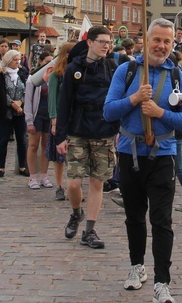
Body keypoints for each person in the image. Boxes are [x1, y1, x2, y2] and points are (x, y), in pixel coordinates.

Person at [103, 18, 182, 303]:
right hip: (130, 155)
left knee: (162, 220)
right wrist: (133, 100)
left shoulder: (178, 76)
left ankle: (162, 281)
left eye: (167, 41)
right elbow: (108, 112)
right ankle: (136, 266)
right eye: (157, 40)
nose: (161, 46)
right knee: (134, 216)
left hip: (163, 156)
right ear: (146, 39)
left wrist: (159, 112)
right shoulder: (127, 71)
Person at [56, 26, 118, 250]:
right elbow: (64, 104)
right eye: (102, 41)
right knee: (73, 183)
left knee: (97, 181)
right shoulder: (74, 68)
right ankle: (76, 213)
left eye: (108, 42)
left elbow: (118, 99)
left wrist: (118, 129)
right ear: (89, 42)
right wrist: (60, 136)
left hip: (104, 131)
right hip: (78, 130)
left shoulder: (112, 67)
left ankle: (89, 230)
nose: (106, 46)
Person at [0, 49, 29, 179]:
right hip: (5, 111)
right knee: (3, 139)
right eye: (14, 60)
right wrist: (12, 104)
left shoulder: (22, 73)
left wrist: (21, 102)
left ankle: (22, 166)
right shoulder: (2, 75)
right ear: (8, 60)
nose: (17, 62)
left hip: (20, 111)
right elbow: (0, 92)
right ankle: (1, 167)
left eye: (18, 59)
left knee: (22, 139)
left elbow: (28, 90)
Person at [47, 41, 76, 201]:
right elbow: (52, 99)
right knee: (59, 157)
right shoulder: (56, 74)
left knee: (75, 156)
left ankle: (74, 186)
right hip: (59, 119)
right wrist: (54, 121)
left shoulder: (78, 72)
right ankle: (59, 186)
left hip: (75, 119)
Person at [25, 51, 54, 189]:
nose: (49, 63)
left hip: (49, 115)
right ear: (41, 62)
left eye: (51, 61)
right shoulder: (33, 78)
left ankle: (44, 175)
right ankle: (32, 176)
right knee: (33, 145)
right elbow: (28, 100)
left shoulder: (54, 78)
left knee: (46, 146)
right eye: (46, 61)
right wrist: (29, 120)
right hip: (37, 115)